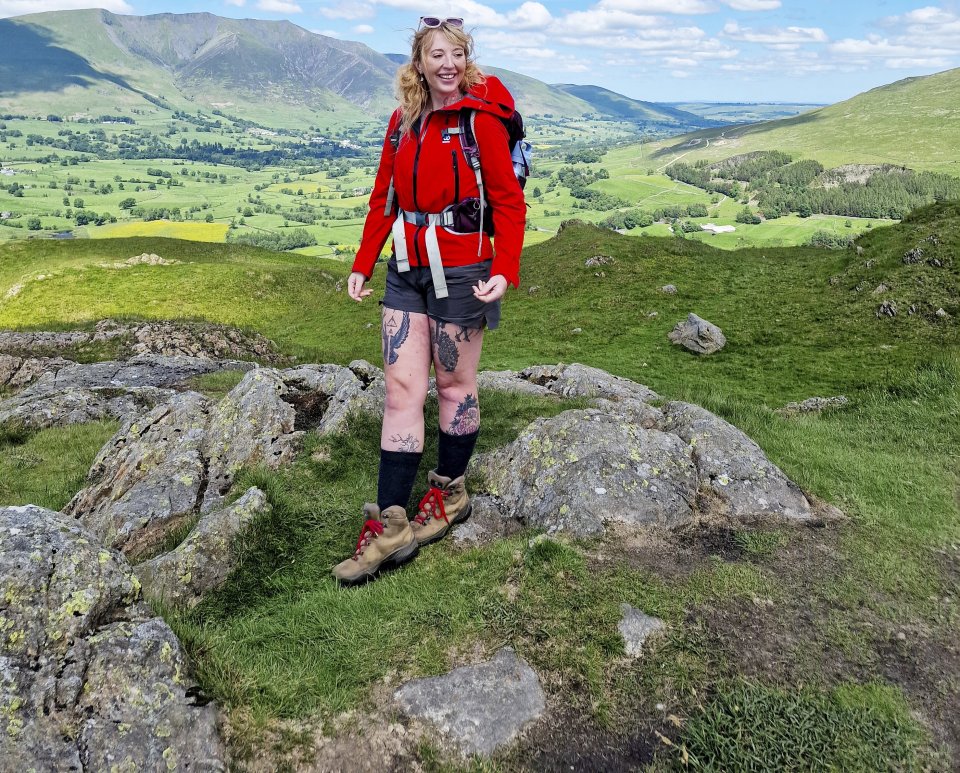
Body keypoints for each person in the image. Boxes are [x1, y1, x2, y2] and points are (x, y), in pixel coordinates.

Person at [332, 16, 525, 585]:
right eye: (436, 55)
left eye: (456, 54)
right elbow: (383, 199)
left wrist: (505, 270)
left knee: (453, 385)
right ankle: (390, 526)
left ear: (466, 60)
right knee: (400, 388)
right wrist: (363, 263)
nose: (447, 64)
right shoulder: (402, 123)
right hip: (407, 267)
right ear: (418, 64)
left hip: (464, 266)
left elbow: (509, 202)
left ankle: (450, 492)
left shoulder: (480, 122)